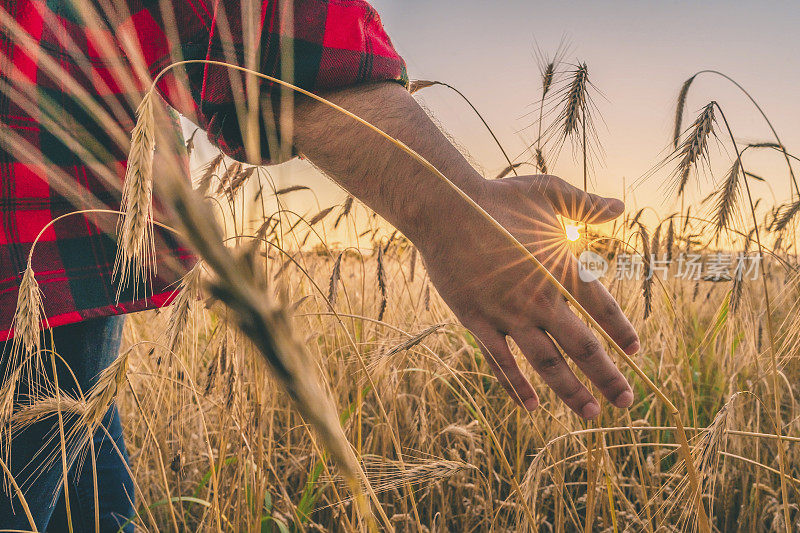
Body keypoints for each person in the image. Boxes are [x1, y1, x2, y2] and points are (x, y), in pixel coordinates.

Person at [0, 0, 639, 529]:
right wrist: (452, 205)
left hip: (43, 279)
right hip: (48, 268)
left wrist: (453, 208)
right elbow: (250, 26)